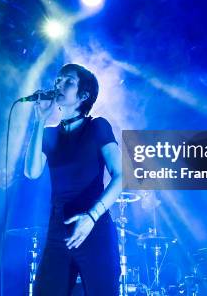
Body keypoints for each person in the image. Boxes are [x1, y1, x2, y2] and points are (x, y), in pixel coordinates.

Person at [24, 63, 123, 295]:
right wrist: (39, 120)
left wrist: (91, 216)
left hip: (94, 227)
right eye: (58, 79)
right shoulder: (48, 134)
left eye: (68, 81)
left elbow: (121, 175)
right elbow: (31, 172)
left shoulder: (98, 126)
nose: (58, 84)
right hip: (58, 229)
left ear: (84, 95)